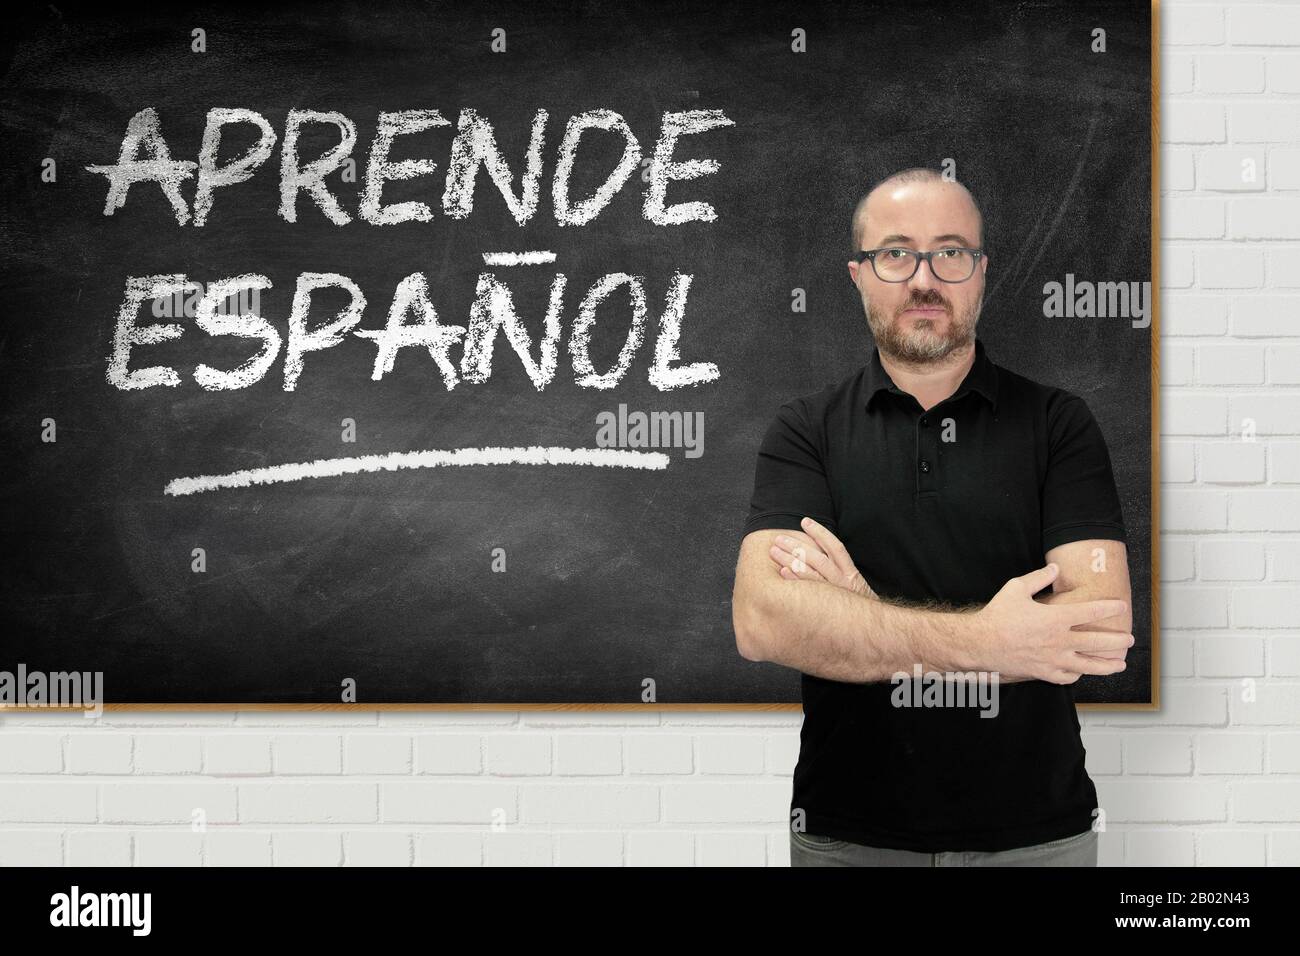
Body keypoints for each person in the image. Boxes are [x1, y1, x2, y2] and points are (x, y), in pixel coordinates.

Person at [731, 167, 1134, 867]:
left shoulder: (1059, 424)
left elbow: (1097, 630)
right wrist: (993, 640)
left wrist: (860, 615)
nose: (924, 279)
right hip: (847, 835)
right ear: (858, 274)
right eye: (895, 253)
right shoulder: (805, 431)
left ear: (981, 272)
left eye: (951, 252)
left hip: (1038, 837)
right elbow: (763, 622)